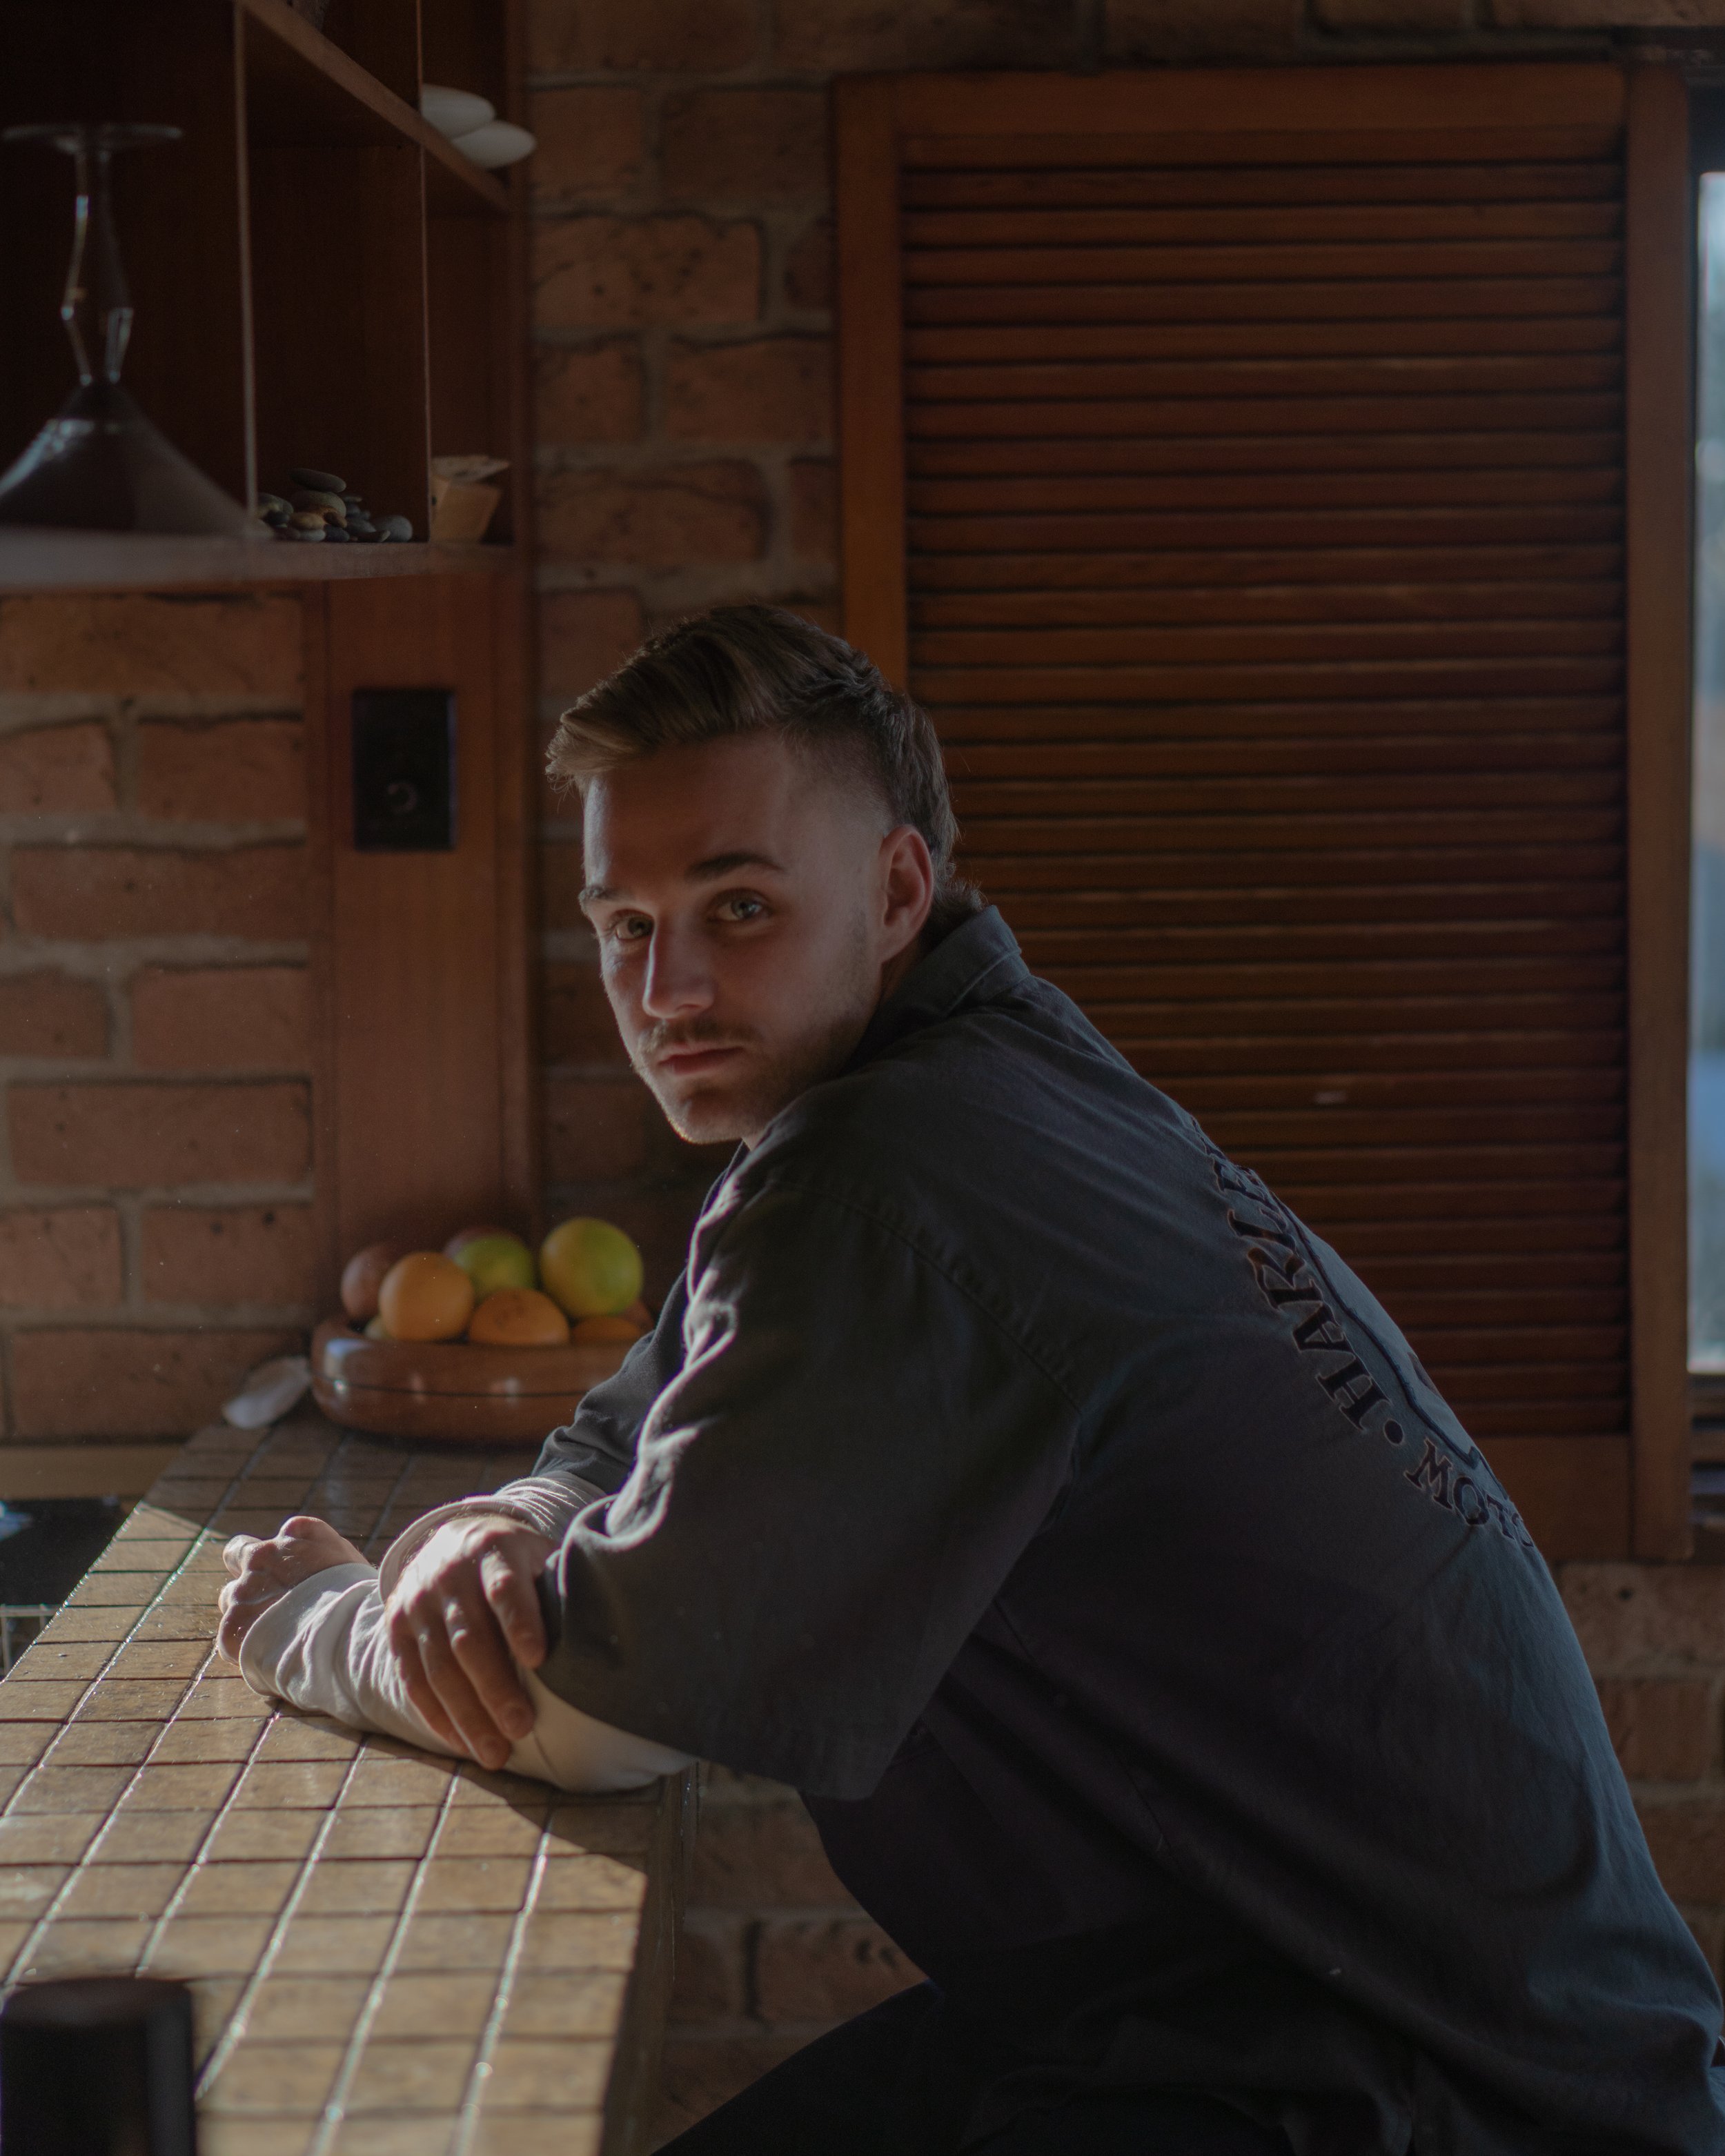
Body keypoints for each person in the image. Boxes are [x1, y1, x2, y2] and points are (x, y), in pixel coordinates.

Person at [220, 605, 1725, 2155]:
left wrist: (311, 1625)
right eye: (624, 923)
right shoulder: (981, 1071)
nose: (664, 988)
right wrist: (515, 1513)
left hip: (1421, 2090)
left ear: (892, 888)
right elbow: (665, 1374)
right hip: (1297, 2009)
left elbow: (607, 1710)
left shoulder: (890, 1172)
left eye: (735, 906)